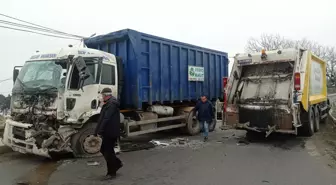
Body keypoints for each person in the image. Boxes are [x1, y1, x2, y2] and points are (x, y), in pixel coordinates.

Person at [95, 88, 123, 180]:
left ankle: (112, 172)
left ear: (106, 95)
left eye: (103, 95)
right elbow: (101, 118)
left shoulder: (111, 104)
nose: (102, 97)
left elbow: (106, 119)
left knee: (108, 152)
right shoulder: (107, 104)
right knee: (104, 150)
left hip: (110, 132)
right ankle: (117, 164)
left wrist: (100, 131)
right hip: (108, 131)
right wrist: (96, 131)